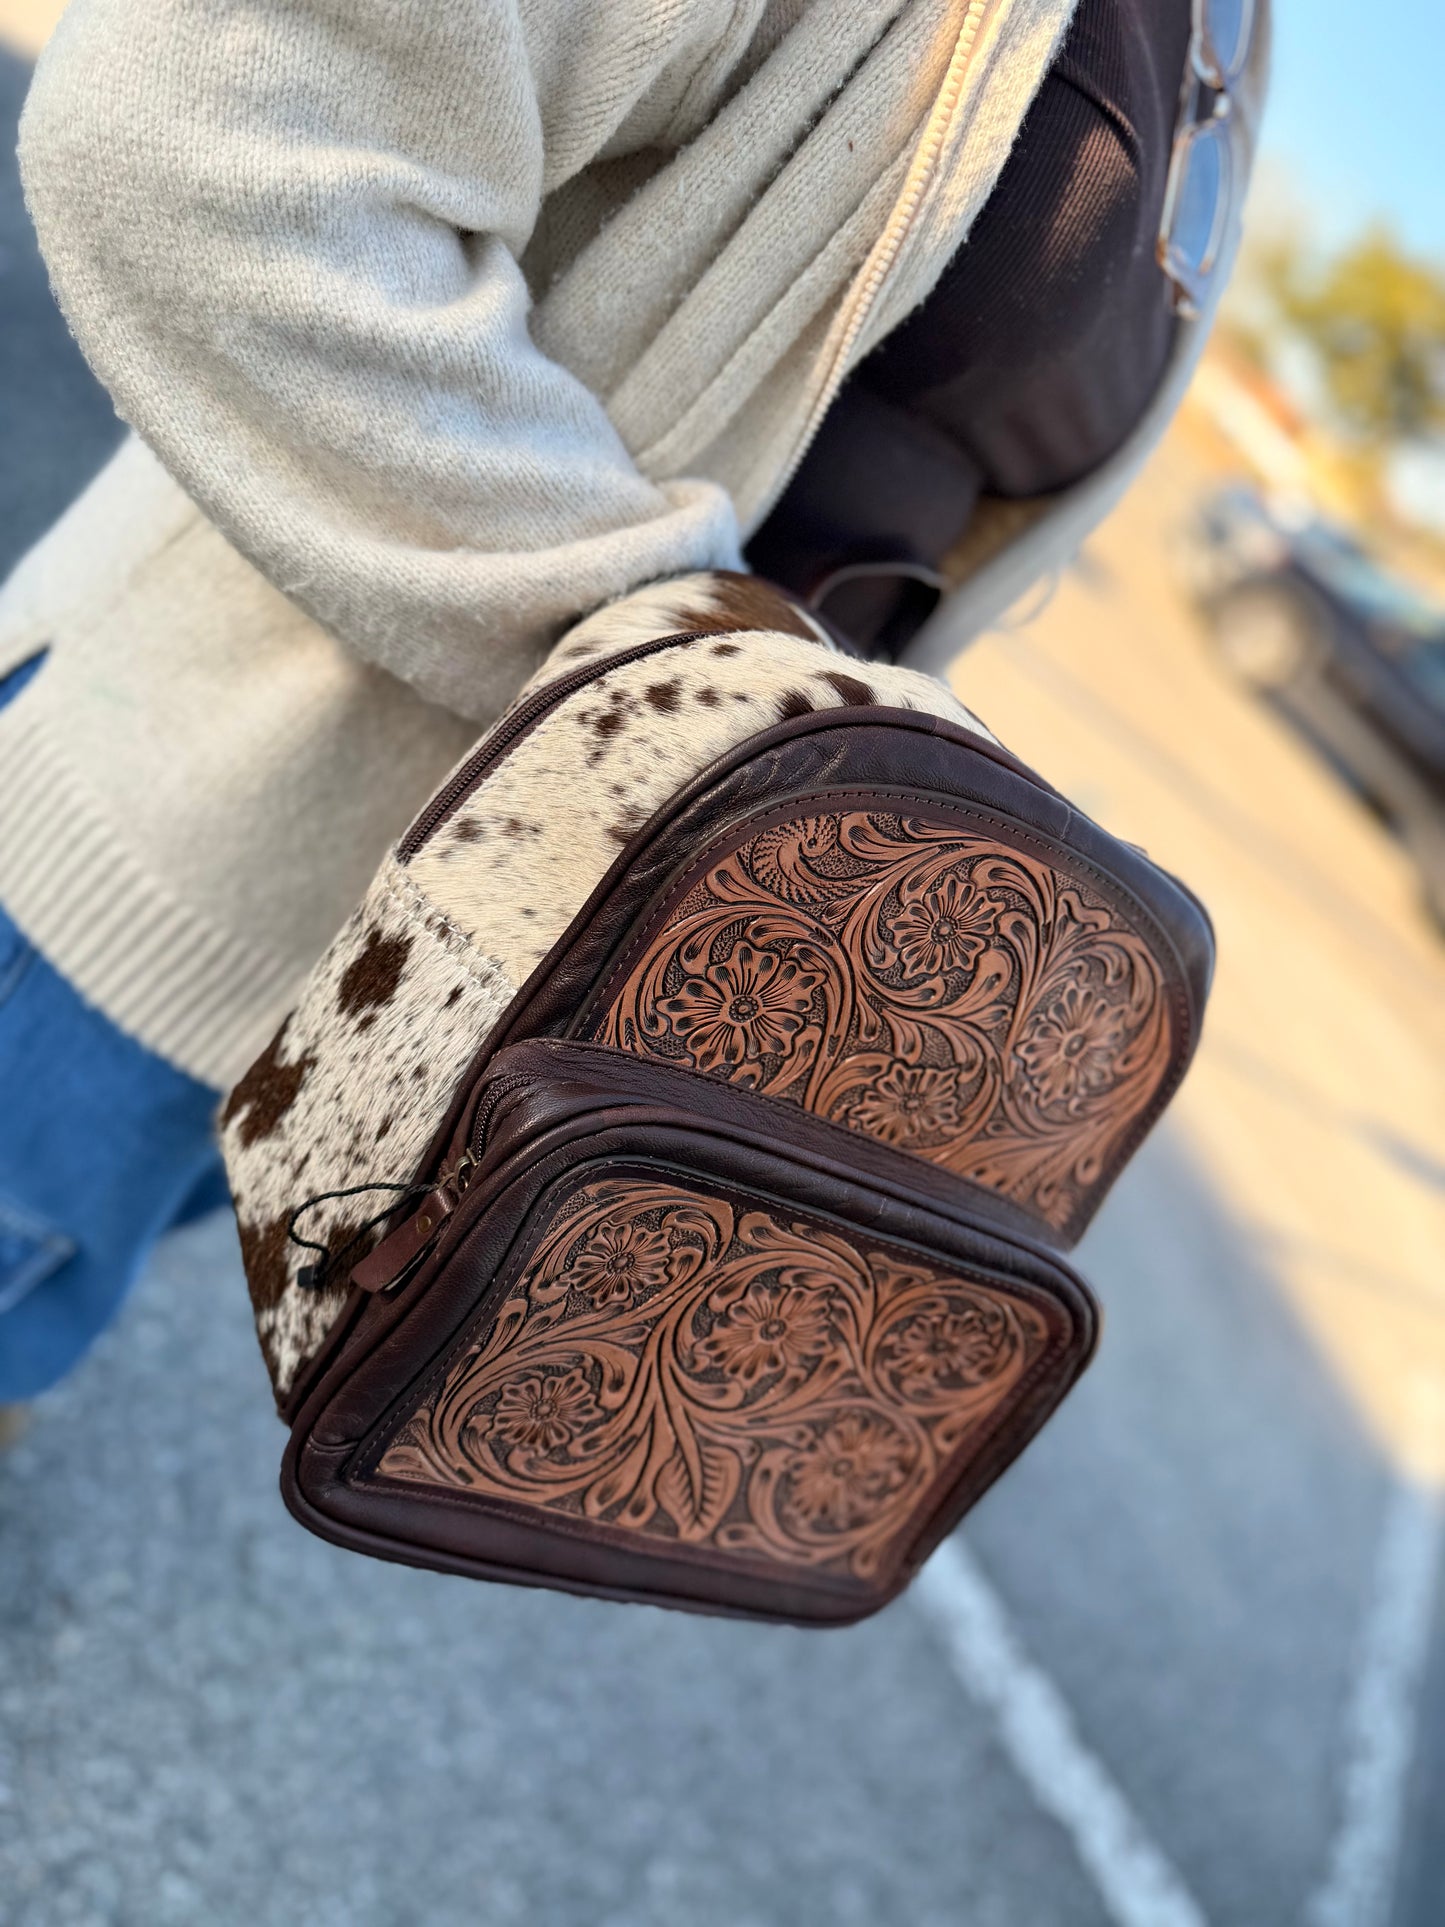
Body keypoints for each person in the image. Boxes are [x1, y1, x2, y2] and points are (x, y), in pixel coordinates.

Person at [0, 0, 1266, 1406]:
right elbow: (199, 135)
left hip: (448, 968)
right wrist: (688, 684)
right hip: (209, 825)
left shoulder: (1238, 42)